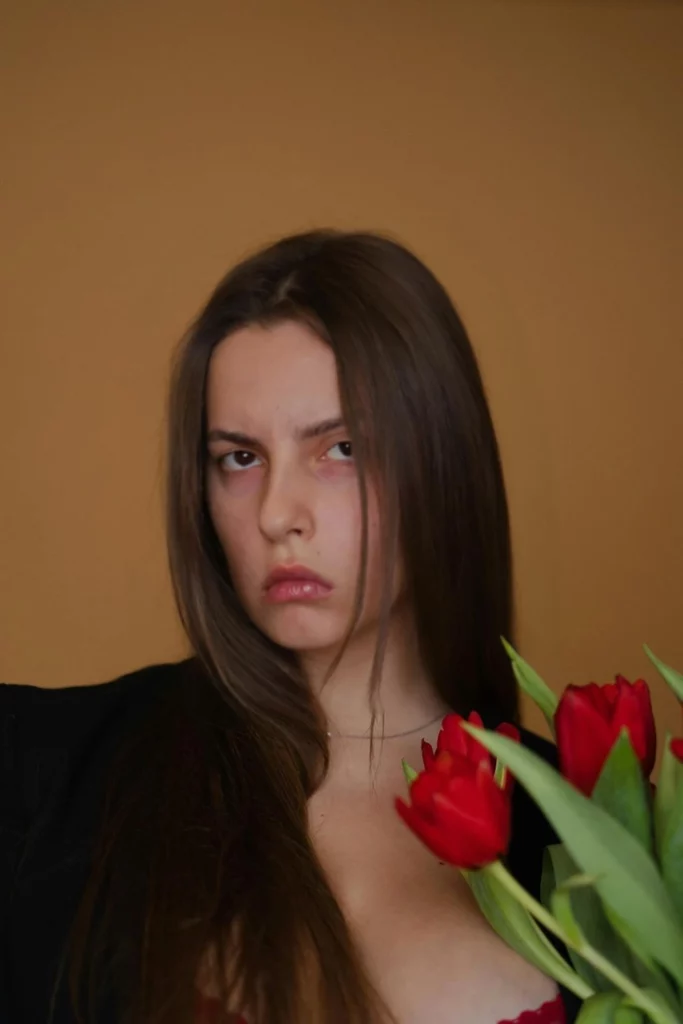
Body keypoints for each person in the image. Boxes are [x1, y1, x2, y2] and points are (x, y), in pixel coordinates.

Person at [1, 230, 574, 1024]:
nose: (276, 515)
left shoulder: (599, 844)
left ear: (441, 464)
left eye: (339, 448)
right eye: (239, 459)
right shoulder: (42, 770)